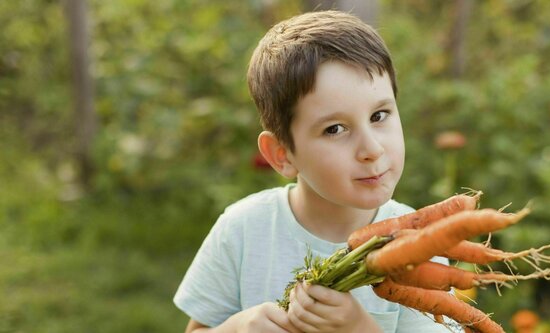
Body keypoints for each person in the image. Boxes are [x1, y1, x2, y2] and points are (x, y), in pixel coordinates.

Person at [174, 10, 461, 333]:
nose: (372, 149)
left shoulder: (418, 246)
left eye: (379, 116)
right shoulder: (241, 230)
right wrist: (235, 329)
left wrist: (360, 329)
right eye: (335, 128)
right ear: (282, 155)